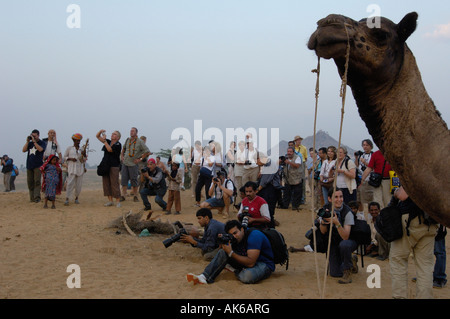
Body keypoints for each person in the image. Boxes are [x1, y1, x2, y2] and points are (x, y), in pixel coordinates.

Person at [186, 219, 274, 285]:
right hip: (247, 260)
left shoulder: (254, 236)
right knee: (222, 252)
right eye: (231, 234)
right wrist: (223, 242)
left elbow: (251, 263)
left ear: (242, 229)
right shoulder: (234, 237)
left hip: (263, 264)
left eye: (235, 233)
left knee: (246, 277)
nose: (234, 236)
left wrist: (231, 253)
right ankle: (204, 277)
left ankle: (236, 271)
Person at [389, 186, 439, 299]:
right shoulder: (435, 172)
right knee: (425, 266)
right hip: (430, 222)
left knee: (398, 260)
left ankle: (399, 297)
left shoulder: (414, 169)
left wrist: (396, 192)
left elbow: (403, 195)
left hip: (409, 220)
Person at [318, 188, 358, 284]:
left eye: (341, 197)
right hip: (334, 241)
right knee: (335, 273)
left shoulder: (347, 212)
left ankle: (347, 271)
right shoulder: (326, 208)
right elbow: (323, 232)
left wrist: (337, 223)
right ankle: (351, 261)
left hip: (349, 241)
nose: (339, 200)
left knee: (344, 245)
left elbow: (345, 237)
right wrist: (323, 222)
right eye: (336, 197)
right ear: (329, 199)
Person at [120, 127, 151, 202]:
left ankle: (135, 196)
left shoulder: (140, 141)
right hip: (125, 163)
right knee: (124, 179)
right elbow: (123, 148)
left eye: (133, 131)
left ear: (136, 133)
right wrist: (122, 156)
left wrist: (139, 159)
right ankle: (123, 195)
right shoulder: (128, 140)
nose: (131, 132)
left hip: (133, 164)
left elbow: (147, 151)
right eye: (130, 131)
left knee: (134, 180)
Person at [96, 129, 122, 208]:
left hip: (114, 166)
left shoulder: (118, 144)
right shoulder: (107, 141)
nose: (112, 135)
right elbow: (97, 136)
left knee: (114, 183)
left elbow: (109, 149)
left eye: (114, 134)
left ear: (118, 137)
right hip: (105, 165)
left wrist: (105, 142)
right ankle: (110, 201)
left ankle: (118, 201)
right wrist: (100, 132)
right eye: (112, 134)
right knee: (106, 183)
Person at [256, 153, 280, 228]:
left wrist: (256, 191)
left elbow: (264, 182)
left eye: (256, 161)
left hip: (271, 190)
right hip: (268, 189)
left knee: (268, 210)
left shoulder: (270, 165)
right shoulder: (266, 165)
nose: (256, 163)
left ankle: (271, 229)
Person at [22, 129, 46, 203]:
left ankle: (37, 197)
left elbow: (40, 149)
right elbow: (23, 150)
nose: (33, 137)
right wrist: (27, 141)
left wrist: (35, 142)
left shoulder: (42, 143)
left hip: (37, 165)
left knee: (37, 182)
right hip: (29, 165)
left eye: (34, 136)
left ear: (38, 135)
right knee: (30, 182)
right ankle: (31, 198)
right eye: (32, 135)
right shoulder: (30, 143)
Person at [63, 133, 87, 205]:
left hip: (80, 169)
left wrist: (84, 154)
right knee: (70, 184)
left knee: (78, 185)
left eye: (79, 140)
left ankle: (76, 198)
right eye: (76, 140)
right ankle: (67, 198)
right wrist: (70, 159)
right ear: (73, 140)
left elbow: (84, 159)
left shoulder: (82, 149)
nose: (78, 142)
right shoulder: (69, 148)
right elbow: (64, 157)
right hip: (72, 168)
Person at [281, 147, 304, 211]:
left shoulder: (297, 157)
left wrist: (289, 162)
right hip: (288, 178)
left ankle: (295, 206)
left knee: (297, 193)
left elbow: (297, 165)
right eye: (288, 151)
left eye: (290, 152)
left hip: (296, 178)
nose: (289, 153)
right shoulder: (285, 158)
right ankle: (285, 205)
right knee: (286, 193)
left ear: (293, 152)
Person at [356, 139, 375, 210]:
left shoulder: (373, 155)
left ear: (371, 146)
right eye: (364, 145)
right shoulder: (362, 155)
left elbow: (373, 168)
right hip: (360, 180)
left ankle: (368, 215)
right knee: (359, 199)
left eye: (367, 145)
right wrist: (356, 158)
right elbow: (357, 166)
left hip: (368, 180)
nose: (365, 147)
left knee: (367, 200)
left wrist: (365, 163)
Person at [294, 135, 307, 205]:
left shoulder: (304, 148)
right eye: (297, 140)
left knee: (302, 181)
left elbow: (305, 158)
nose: (299, 141)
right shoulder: (293, 148)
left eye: (300, 140)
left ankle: (303, 198)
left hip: (302, 164)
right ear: (295, 141)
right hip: (294, 165)